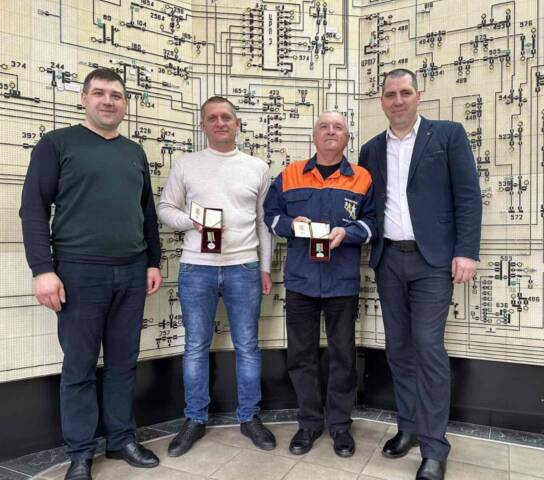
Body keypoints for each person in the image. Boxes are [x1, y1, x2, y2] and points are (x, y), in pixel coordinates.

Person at [19, 68, 162, 480]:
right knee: (79, 367)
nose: (108, 101)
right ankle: (81, 453)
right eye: (99, 93)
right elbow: (33, 209)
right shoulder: (56, 144)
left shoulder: (134, 152)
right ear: (84, 99)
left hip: (132, 272)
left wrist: (153, 261)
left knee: (123, 362)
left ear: (125, 104)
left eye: (116, 95)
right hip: (79, 273)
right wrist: (42, 270)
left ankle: (121, 440)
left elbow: (146, 213)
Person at [358, 68, 482, 480]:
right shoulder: (371, 149)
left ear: (418, 95)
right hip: (389, 260)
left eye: (405, 92)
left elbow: (468, 196)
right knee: (398, 348)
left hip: (433, 262)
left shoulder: (447, 135)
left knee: (427, 347)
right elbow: (368, 206)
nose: (398, 100)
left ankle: (434, 447)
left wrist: (466, 251)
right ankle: (408, 427)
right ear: (382, 100)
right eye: (390, 94)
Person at [156, 96, 275, 457]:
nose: (220, 123)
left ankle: (249, 416)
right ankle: (195, 418)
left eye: (226, 117)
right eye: (212, 118)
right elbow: (164, 208)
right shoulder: (186, 165)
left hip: (244, 268)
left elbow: (264, 223)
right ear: (203, 125)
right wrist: (190, 222)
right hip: (197, 269)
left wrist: (265, 267)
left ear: (237, 124)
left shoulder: (257, 167)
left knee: (247, 346)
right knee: (195, 346)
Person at [263, 112, 377, 457]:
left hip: (342, 282)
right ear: (314, 136)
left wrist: (349, 233)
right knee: (301, 355)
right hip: (301, 281)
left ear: (347, 138)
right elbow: (270, 215)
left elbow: (373, 222)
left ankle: (340, 425)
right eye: (324, 127)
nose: (330, 131)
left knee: (343, 355)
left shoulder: (362, 178)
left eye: (338, 127)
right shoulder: (290, 174)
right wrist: (289, 224)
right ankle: (309, 423)